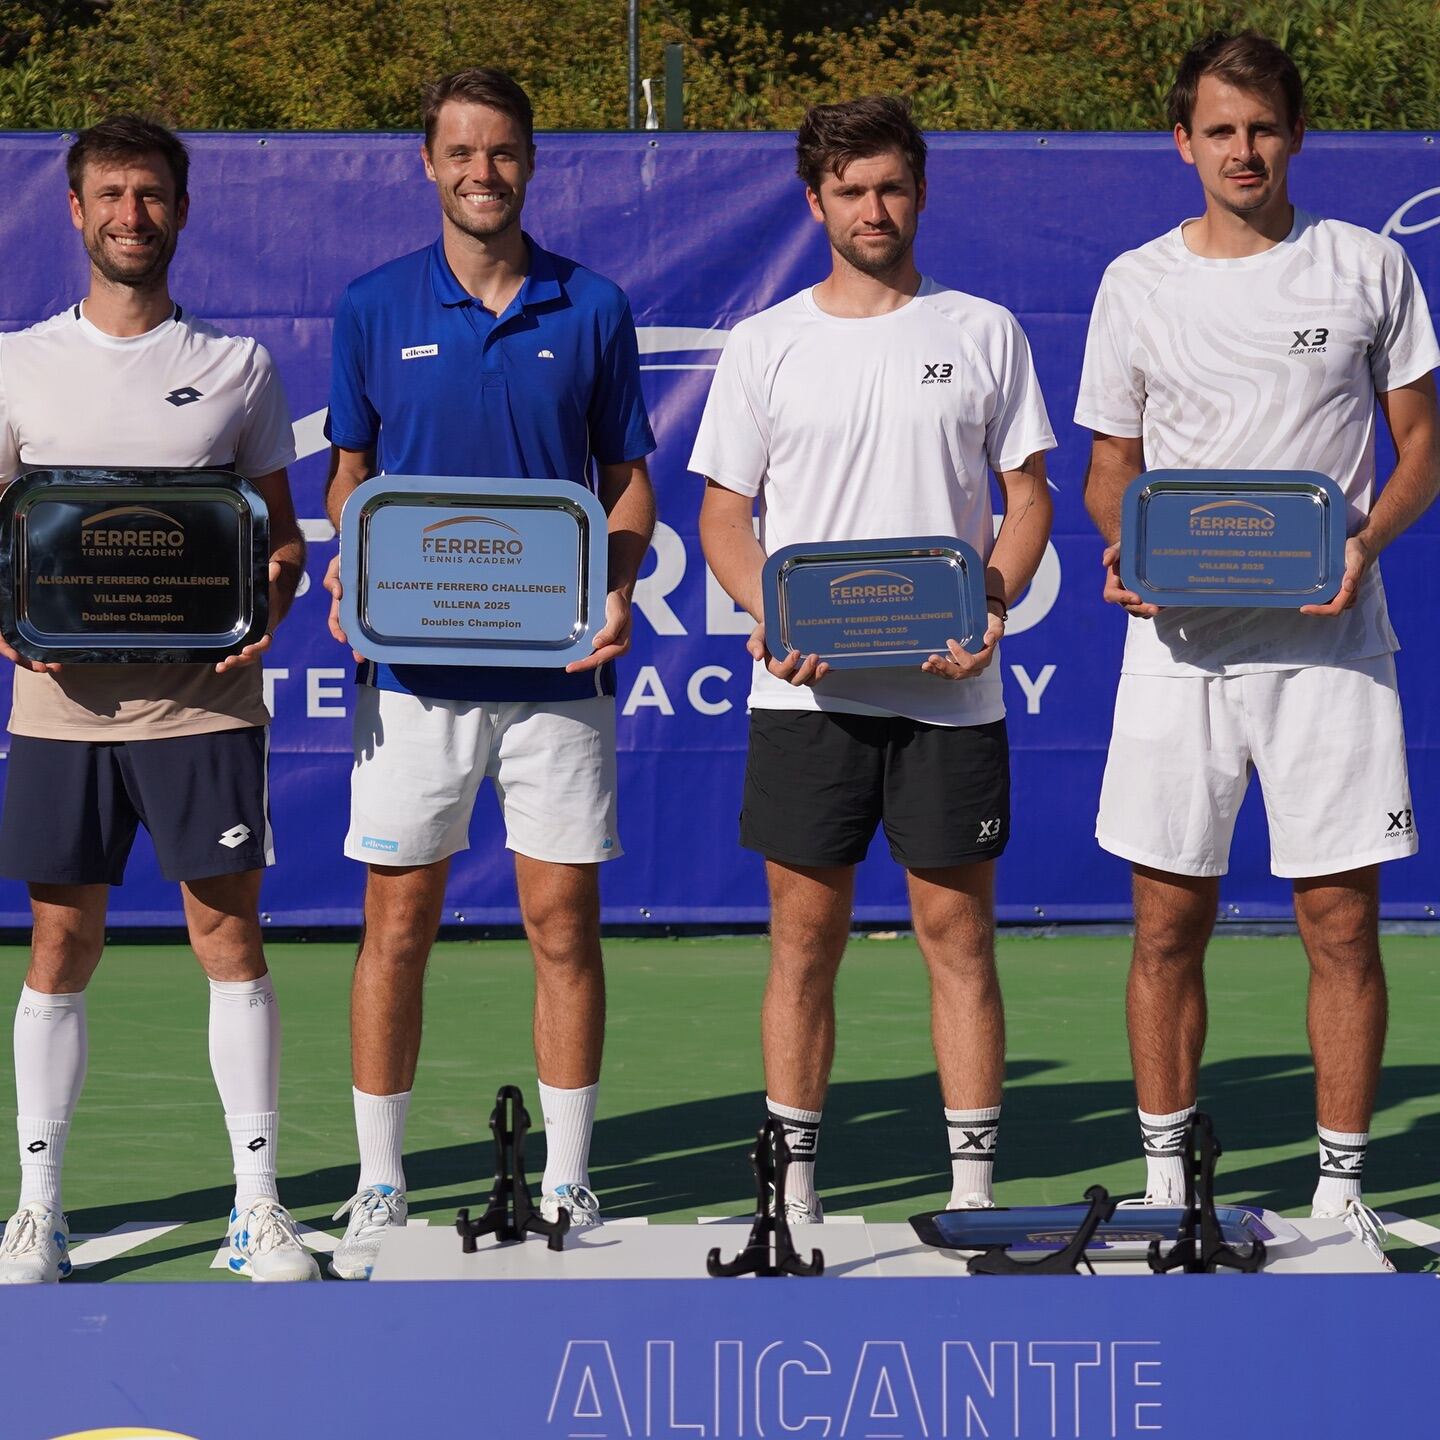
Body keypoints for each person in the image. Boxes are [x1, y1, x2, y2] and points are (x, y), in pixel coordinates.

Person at [1076, 32, 1439, 1250]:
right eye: (1219, 129)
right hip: (1180, 654)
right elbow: (1110, 471)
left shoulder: (1368, 268)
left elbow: (1420, 445)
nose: (1243, 150)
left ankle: (1341, 1198)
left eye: (1263, 127)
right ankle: (1169, 1181)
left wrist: (1362, 543)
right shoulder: (1136, 282)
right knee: (1165, 924)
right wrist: (1125, 545)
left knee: (1340, 924)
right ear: (1182, 142)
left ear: (1296, 135)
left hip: (1332, 651)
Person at [692, 96, 1055, 1222]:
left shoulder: (984, 330)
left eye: (891, 186)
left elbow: (1028, 501)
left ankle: (974, 1195)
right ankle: (791, 1195)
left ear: (921, 192)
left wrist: (992, 598)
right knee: (804, 944)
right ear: (815, 204)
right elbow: (721, 517)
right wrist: (772, 615)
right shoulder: (766, 343)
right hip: (808, 702)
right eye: (849, 191)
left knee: (959, 936)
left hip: (952, 695)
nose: (873, 208)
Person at [322, 67, 655, 1276]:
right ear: (428, 162)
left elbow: (626, 478)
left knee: (562, 920)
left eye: (502, 152)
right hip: (412, 674)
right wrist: (352, 571)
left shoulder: (595, 304)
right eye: (460, 151)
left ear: (530, 161)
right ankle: (377, 1182)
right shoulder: (371, 306)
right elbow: (350, 473)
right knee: (396, 922)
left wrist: (616, 583)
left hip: (557, 670)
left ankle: (569, 1175)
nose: (482, 171)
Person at [0, 116, 314, 1283]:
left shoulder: (240, 368)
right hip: (62, 713)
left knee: (228, 938)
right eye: (111, 195)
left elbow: (277, 540)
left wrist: (267, 603)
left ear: (182, 210)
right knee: (59, 939)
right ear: (76, 212)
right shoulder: (15, 364)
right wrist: (8, 622)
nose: (132, 215)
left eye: (152, 195)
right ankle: (39, 1209)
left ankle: (257, 1206)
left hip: (205, 706)